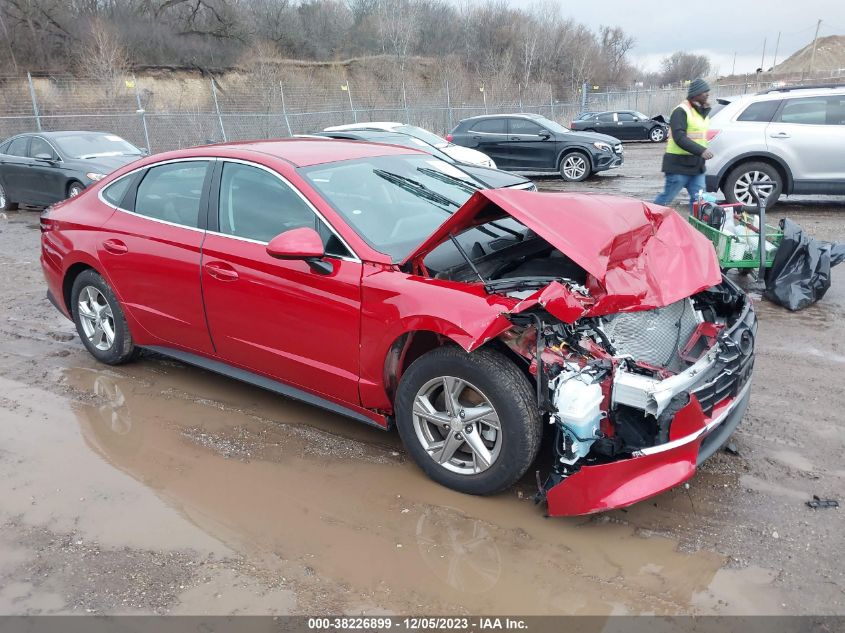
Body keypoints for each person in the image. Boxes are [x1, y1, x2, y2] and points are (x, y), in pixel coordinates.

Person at [654, 78, 714, 212]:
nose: (707, 94)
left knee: (699, 201)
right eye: (705, 92)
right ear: (696, 94)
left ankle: (696, 230)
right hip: (678, 166)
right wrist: (701, 151)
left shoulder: (702, 114)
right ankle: (649, 222)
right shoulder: (681, 111)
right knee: (666, 198)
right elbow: (679, 137)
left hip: (697, 166)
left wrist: (701, 154)